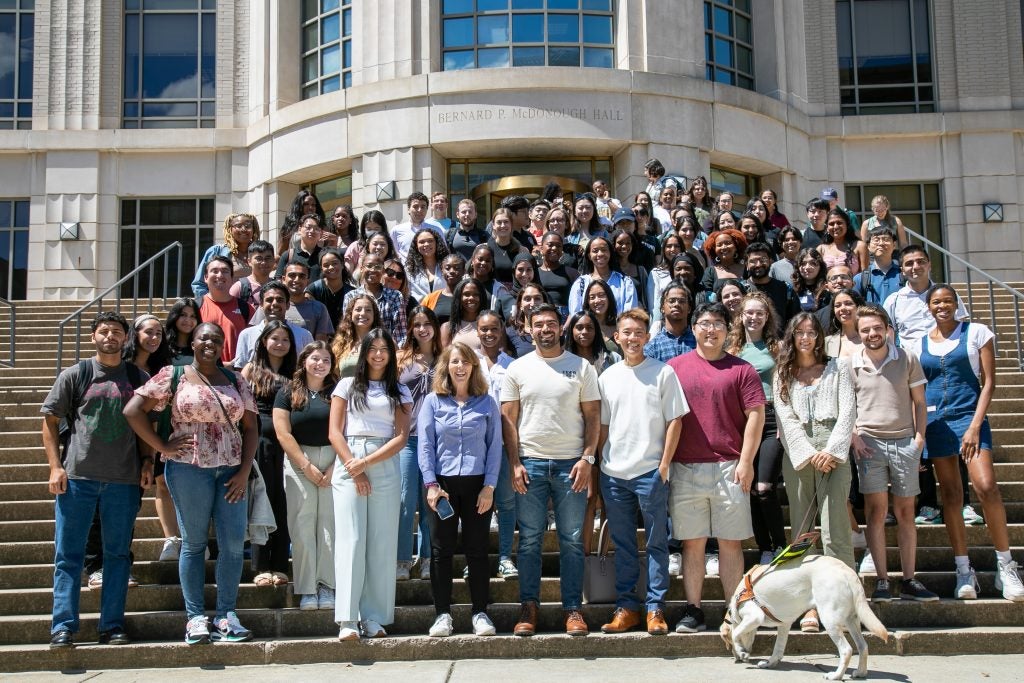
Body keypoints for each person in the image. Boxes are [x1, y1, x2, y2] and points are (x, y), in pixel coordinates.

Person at [125, 322, 259, 645]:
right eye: (204, 337)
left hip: (230, 471)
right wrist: (161, 447)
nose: (210, 343)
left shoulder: (235, 379)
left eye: (216, 338)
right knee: (195, 542)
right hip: (188, 469)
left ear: (223, 343)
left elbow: (252, 428)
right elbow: (132, 410)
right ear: (193, 342)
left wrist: (243, 472)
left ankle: (226, 615)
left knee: (230, 545)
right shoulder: (174, 375)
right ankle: (195, 617)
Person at [908, 284, 1024, 602]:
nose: (942, 306)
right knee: (951, 495)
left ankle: (1006, 566)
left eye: (947, 300)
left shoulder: (977, 332)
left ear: (956, 303)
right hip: (936, 423)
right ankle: (963, 569)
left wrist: (974, 426)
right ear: (928, 307)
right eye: (935, 302)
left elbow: (989, 383)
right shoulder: (918, 344)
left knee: (986, 487)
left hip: (969, 419)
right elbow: (916, 390)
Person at [43, 312, 151, 649]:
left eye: (116, 332)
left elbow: (146, 423)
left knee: (118, 556)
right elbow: (49, 421)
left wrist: (148, 460)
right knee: (68, 555)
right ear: (93, 337)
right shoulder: (76, 374)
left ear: (125, 338)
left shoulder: (138, 376)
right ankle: (63, 626)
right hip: (78, 478)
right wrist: (55, 467)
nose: (110, 337)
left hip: (124, 480)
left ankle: (112, 625)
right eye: (103, 331)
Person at [502, 304, 601, 637]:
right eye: (538, 324)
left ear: (562, 328)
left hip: (570, 465)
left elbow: (592, 419)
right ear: (529, 330)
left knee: (572, 541)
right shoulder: (517, 369)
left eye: (551, 324)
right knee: (529, 541)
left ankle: (573, 609)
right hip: (529, 464)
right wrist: (514, 463)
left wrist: (587, 459)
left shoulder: (582, 367)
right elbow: (508, 421)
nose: (545, 329)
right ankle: (528, 607)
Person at [666, 302, 765, 634]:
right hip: (685, 467)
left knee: (730, 542)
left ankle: (733, 610)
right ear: (693, 328)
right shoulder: (674, 368)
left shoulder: (742, 369)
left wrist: (748, 462)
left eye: (718, 324)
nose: (711, 330)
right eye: (705, 323)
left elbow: (756, 416)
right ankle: (693, 610)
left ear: (728, 329)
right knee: (692, 543)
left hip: (729, 467)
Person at [597, 309, 686, 636]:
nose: (632, 338)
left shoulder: (663, 373)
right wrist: (598, 468)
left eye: (638, 333)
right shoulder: (607, 377)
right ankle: (627, 608)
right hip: (614, 474)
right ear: (616, 337)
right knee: (623, 544)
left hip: (651, 472)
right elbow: (603, 427)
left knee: (657, 543)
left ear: (647, 338)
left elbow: (675, 420)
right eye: (626, 332)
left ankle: (655, 609)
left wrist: (664, 464)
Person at [773, 313, 856, 631]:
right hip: (799, 453)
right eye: (800, 333)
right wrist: (808, 454)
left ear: (820, 337)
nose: (806, 338)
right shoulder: (783, 372)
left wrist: (832, 452)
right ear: (792, 337)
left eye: (811, 332)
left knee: (836, 528)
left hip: (833, 450)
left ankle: (842, 604)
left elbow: (848, 410)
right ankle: (809, 606)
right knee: (802, 531)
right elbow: (785, 416)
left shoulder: (839, 367)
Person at [849, 305, 937, 602]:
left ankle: (910, 579)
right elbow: (845, 406)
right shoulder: (851, 362)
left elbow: (920, 402)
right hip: (869, 442)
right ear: (858, 333)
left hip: (904, 442)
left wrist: (920, 439)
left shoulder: (907, 357)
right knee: (875, 512)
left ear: (887, 329)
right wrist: (854, 436)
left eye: (877, 328)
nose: (872, 334)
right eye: (865, 330)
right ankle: (883, 581)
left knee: (905, 512)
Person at [329, 329, 413, 640]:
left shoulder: (400, 390)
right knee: (351, 539)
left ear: (391, 354)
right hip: (349, 457)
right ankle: (348, 619)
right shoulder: (347, 385)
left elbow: (401, 437)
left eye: (384, 349)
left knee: (381, 542)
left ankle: (374, 616)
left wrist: (367, 463)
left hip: (383, 460)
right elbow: (335, 432)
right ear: (364, 352)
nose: (378, 354)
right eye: (373, 348)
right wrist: (356, 466)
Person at [418, 343, 503, 638]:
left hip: (478, 484)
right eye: (455, 361)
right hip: (442, 485)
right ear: (446, 366)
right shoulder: (432, 401)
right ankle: (442, 614)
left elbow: (495, 447)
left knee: (477, 550)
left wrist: (489, 486)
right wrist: (430, 485)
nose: (460, 367)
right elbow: (425, 445)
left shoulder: (487, 402)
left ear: (473, 367)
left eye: (466, 362)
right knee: (441, 551)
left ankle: (480, 612)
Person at [274, 341, 339, 612]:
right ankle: (307, 588)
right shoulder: (287, 391)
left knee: (329, 526)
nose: (320, 364)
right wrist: (306, 465)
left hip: (335, 461)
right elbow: (282, 432)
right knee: (302, 526)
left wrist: (336, 465)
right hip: (299, 461)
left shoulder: (338, 391)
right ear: (304, 361)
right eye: (315, 358)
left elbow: (346, 428)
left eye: (326, 359)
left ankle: (327, 585)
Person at [725, 293, 786, 565]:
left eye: (759, 313)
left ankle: (781, 545)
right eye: (748, 312)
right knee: (748, 486)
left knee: (764, 486)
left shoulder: (778, 348)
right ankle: (765, 547)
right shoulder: (732, 351)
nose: (754, 317)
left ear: (767, 317)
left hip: (772, 417)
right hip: (742, 421)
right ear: (740, 316)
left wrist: (786, 424)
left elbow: (788, 387)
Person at [241, 321, 297, 588]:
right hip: (259, 441)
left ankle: (279, 564)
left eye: (285, 339)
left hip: (287, 441)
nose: (280, 344)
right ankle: (261, 565)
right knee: (261, 500)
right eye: (275, 338)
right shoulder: (251, 370)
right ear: (264, 341)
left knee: (282, 502)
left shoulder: (295, 373)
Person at [395, 306, 442, 581]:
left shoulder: (445, 359)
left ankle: (427, 558)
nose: (422, 329)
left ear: (435, 327)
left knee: (430, 502)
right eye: (417, 324)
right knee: (404, 500)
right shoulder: (401, 359)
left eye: (427, 324)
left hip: (436, 441)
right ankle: (402, 559)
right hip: (406, 439)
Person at [476, 310, 519, 580]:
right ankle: (476, 557)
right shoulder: (469, 362)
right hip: (475, 446)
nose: (489, 334)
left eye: (494, 329)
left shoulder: (513, 365)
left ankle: (505, 557)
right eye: (484, 329)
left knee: (505, 500)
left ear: (501, 330)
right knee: (476, 504)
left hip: (503, 444)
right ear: (477, 332)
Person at [231, 281, 314, 370]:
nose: (274, 303)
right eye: (269, 300)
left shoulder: (304, 335)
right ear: (261, 305)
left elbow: (309, 369)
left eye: (280, 300)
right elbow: (241, 372)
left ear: (288, 305)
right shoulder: (247, 335)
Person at [253, 260, 333, 342]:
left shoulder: (319, 308)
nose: (297, 280)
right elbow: (254, 334)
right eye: (292, 275)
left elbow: (320, 344)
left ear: (307, 281)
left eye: (302, 276)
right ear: (283, 279)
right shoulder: (270, 306)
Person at [343, 253, 408, 346]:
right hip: (357, 349)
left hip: (386, 350)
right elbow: (347, 328)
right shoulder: (350, 296)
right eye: (369, 266)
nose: (373, 270)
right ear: (361, 269)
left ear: (383, 271)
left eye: (377, 267)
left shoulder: (395, 296)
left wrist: (396, 354)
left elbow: (400, 332)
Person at [192, 213, 260, 298]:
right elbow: (199, 284)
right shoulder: (216, 251)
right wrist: (209, 303)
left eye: (247, 226)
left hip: (254, 307)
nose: (243, 229)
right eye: (238, 226)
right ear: (230, 229)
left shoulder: (260, 253)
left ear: (254, 229)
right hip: (224, 306)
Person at [567, 235, 638, 316]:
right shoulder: (580, 284)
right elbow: (576, 315)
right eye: (595, 251)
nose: (600, 254)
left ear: (610, 253)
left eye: (604, 250)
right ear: (589, 256)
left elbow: (629, 315)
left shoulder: (625, 282)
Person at [198, 256, 251, 363]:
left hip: (237, 375)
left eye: (225, 271)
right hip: (203, 374)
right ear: (205, 277)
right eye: (215, 271)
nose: (220, 275)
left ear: (232, 278)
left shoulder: (246, 309)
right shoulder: (195, 307)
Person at [745, 241, 799, 331]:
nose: (758, 264)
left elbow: (795, 319)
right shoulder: (741, 289)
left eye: (763, 260)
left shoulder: (785, 289)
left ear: (770, 261)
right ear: (746, 265)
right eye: (753, 261)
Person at [331, 294, 381, 377]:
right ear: (350, 314)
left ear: (374, 315)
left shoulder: (385, 342)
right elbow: (334, 377)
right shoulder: (339, 345)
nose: (363, 313)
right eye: (358, 309)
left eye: (368, 310)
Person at [643, 283, 695, 362]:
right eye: (671, 301)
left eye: (682, 301)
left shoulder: (700, 342)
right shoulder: (652, 348)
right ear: (662, 308)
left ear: (689, 308)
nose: (677, 304)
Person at [306, 247, 354, 329]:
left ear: (342, 264)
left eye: (335, 263)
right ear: (321, 268)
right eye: (326, 265)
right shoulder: (313, 289)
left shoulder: (352, 292)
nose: (331, 267)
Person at [564, 309, 621, 375]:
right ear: (571, 331)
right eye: (579, 327)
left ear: (596, 331)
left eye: (589, 327)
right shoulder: (563, 362)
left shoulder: (613, 358)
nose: (584, 332)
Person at [856, 224, 902, 306]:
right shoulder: (861, 279)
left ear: (894, 245)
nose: (881, 243)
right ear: (868, 246)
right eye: (876, 240)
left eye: (886, 239)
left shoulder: (903, 275)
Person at [537, 232, 579, 317]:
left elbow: (578, 301)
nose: (554, 248)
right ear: (541, 248)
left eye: (559, 246)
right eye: (550, 245)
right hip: (540, 316)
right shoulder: (534, 273)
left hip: (566, 317)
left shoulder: (572, 273)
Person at [392, 192, 444, 261]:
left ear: (427, 209)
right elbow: (394, 255)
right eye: (415, 206)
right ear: (408, 209)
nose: (420, 210)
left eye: (423, 207)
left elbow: (443, 254)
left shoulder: (436, 230)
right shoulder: (396, 231)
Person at [276, 214, 326, 282]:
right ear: (299, 230)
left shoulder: (325, 255)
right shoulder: (288, 255)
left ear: (320, 233)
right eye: (308, 227)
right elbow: (278, 281)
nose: (312, 231)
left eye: (316, 228)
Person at [817, 209, 868, 275]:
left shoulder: (860, 246)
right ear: (827, 227)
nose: (835, 226)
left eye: (839, 223)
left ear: (847, 225)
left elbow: (865, 276)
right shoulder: (821, 249)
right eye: (831, 224)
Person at [229, 240, 276, 310]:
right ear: (249, 261)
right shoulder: (239, 288)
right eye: (259, 259)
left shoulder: (279, 287)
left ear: (273, 261)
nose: (263, 262)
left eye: (267, 258)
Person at [420, 253, 465, 325]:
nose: (451, 271)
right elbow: (420, 321)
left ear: (463, 271)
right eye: (447, 268)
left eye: (457, 268)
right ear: (442, 271)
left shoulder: (469, 297)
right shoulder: (430, 298)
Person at [441, 278, 485, 351]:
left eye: (476, 294)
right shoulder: (447, 328)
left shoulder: (494, 326)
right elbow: (445, 359)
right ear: (459, 298)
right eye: (466, 294)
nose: (471, 298)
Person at [278, 190, 325, 256]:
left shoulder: (322, 226)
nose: (310, 208)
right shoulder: (290, 227)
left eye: (313, 205)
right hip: (296, 263)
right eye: (306, 204)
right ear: (299, 206)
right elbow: (281, 254)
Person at [406, 227, 448, 300]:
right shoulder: (409, 269)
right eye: (421, 242)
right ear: (416, 246)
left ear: (436, 243)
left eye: (430, 241)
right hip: (419, 309)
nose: (426, 244)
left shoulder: (448, 267)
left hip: (443, 309)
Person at [506, 284, 548, 357]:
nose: (532, 303)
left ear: (544, 302)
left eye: (537, 298)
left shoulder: (554, 329)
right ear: (520, 304)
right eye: (527, 299)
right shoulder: (510, 332)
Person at [824, 288, 866, 358]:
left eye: (848, 303)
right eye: (837, 305)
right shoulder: (827, 342)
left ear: (859, 307)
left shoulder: (870, 337)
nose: (842, 308)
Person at [345, 209, 390, 274]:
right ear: (363, 229)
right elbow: (348, 275)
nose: (372, 232)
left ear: (383, 229)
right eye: (369, 229)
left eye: (376, 229)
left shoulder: (388, 246)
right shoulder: (355, 247)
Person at [792, 248, 827, 313]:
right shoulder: (792, 291)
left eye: (813, 263)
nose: (807, 267)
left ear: (820, 266)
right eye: (803, 263)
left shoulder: (827, 289)